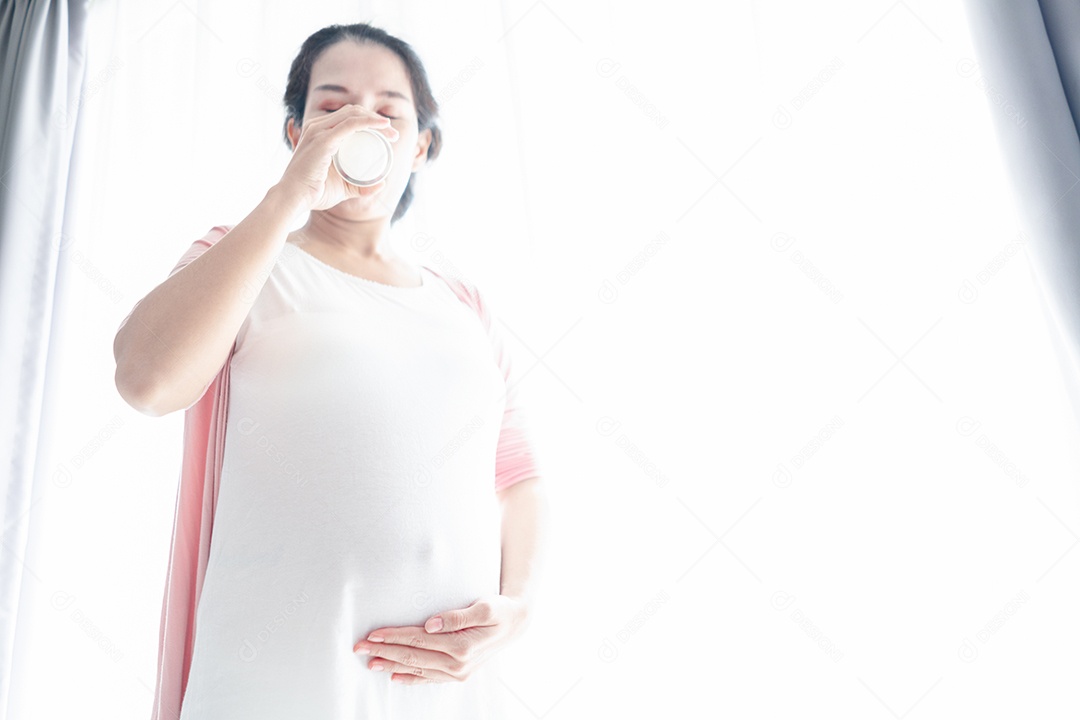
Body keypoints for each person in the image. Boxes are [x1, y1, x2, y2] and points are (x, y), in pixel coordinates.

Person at [112, 22, 549, 720]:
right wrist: (291, 195)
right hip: (270, 688)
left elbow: (518, 477)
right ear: (296, 135)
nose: (359, 122)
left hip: (436, 696)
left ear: (420, 144)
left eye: (387, 109)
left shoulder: (462, 302)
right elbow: (147, 381)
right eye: (331, 105)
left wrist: (517, 607)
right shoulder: (242, 261)